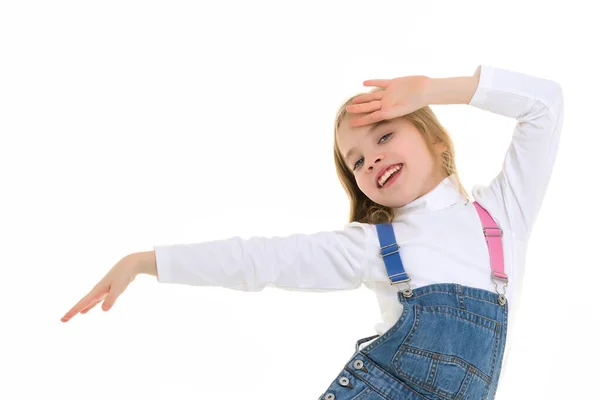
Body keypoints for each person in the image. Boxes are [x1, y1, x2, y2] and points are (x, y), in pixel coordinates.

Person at [60, 64, 564, 399]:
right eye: (358, 160)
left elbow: (545, 103)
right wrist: (147, 261)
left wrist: (434, 89)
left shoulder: (502, 217)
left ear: (433, 136)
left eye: (385, 134)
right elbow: (262, 260)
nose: (374, 160)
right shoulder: (374, 245)